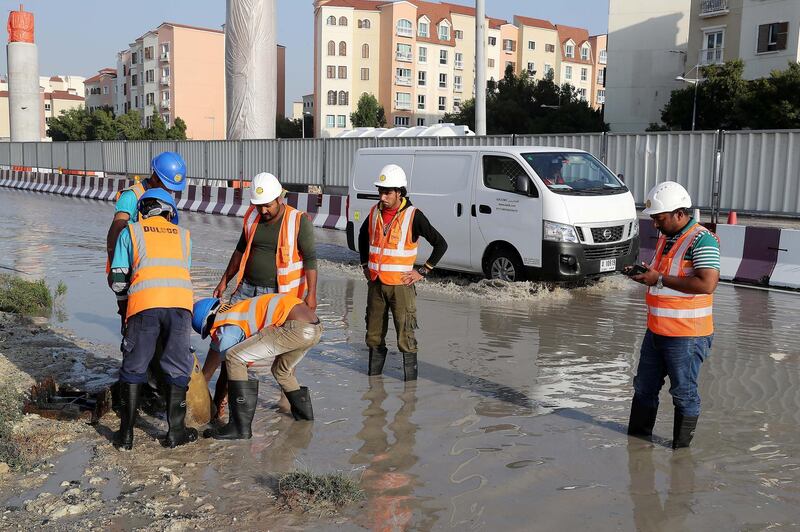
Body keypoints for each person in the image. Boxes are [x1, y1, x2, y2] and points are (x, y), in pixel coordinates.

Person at [208, 172, 318, 416]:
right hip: (246, 288)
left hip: (280, 295)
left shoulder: (298, 221)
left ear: (279, 197)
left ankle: (287, 401)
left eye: (267, 205)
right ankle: (221, 402)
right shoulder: (251, 216)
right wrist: (224, 280)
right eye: (258, 206)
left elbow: (310, 259)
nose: (263, 210)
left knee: (282, 350)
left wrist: (311, 295)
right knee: (228, 340)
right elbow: (239, 251)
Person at [625, 181, 720, 449]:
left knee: (683, 393)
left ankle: (680, 454)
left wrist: (660, 279)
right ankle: (637, 446)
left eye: (660, 218)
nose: (655, 224)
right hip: (656, 331)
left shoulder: (703, 239)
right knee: (643, 388)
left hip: (687, 336)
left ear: (680, 213)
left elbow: (707, 284)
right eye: (654, 219)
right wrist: (646, 277)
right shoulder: (667, 238)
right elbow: (663, 280)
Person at [108, 188, 197, 450]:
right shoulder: (184, 236)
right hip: (181, 307)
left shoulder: (131, 232)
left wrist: (125, 309)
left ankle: (126, 435)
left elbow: (119, 279)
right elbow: (183, 271)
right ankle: (175, 432)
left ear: (142, 211)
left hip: (144, 306)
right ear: (170, 211)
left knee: (134, 366)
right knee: (178, 366)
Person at [106, 152, 188, 412]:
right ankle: (139, 392)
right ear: (155, 176)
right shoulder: (133, 196)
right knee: (134, 334)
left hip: (155, 278)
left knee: (161, 337)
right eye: (167, 186)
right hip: (134, 277)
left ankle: (155, 392)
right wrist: (122, 276)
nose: (170, 192)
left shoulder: (163, 199)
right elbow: (117, 230)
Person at [358, 164, 448, 381]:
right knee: (373, 334)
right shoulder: (374, 212)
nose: (383, 196)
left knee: (405, 336)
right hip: (376, 284)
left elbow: (441, 244)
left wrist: (423, 271)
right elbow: (362, 236)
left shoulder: (413, 216)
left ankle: (410, 390)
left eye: (387, 192)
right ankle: (374, 384)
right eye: (380, 191)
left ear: (399, 192)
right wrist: (364, 265)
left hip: (401, 286)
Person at [192, 293, 323, 440]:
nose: (212, 336)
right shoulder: (235, 311)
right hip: (314, 328)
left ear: (208, 322)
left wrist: (216, 408)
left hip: (295, 328)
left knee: (234, 358)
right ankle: (305, 418)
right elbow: (214, 358)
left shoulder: (228, 329)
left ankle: (239, 427)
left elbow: (228, 369)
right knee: (281, 371)